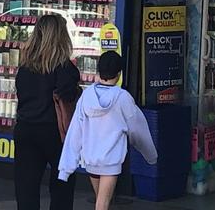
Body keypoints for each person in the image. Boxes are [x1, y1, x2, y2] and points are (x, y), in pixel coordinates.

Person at [58, 51, 158, 210]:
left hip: (90, 160)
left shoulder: (87, 96)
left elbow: (75, 133)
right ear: (119, 75)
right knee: (102, 204)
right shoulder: (123, 98)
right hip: (111, 162)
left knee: (101, 201)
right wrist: (151, 156)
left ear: (98, 71)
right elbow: (138, 130)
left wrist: (65, 169)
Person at [14, 14, 80, 210]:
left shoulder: (25, 67)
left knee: (26, 189)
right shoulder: (65, 68)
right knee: (62, 186)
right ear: (62, 36)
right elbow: (68, 94)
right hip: (56, 133)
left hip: (26, 130)